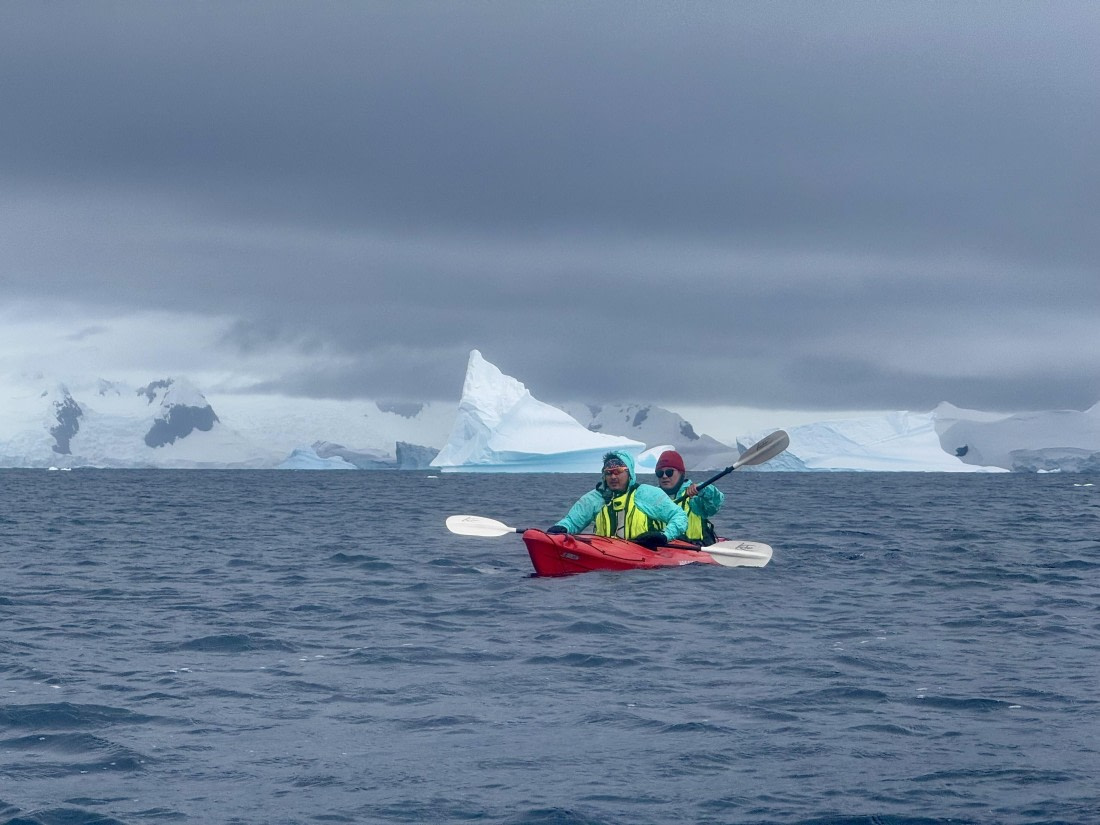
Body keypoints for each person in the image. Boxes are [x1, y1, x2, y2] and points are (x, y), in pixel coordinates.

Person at [546, 450, 688, 548]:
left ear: (629, 473)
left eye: (618, 472)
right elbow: (572, 521)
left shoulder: (646, 494)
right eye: (608, 473)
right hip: (605, 551)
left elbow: (680, 516)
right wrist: (562, 527)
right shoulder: (596, 498)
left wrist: (664, 536)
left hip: (647, 553)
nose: (613, 477)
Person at [653, 449, 724, 545]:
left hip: (694, 553)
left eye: (669, 472)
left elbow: (716, 502)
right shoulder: (652, 498)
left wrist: (704, 490)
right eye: (660, 473)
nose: (664, 476)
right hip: (662, 550)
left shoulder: (694, 496)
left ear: (681, 473)